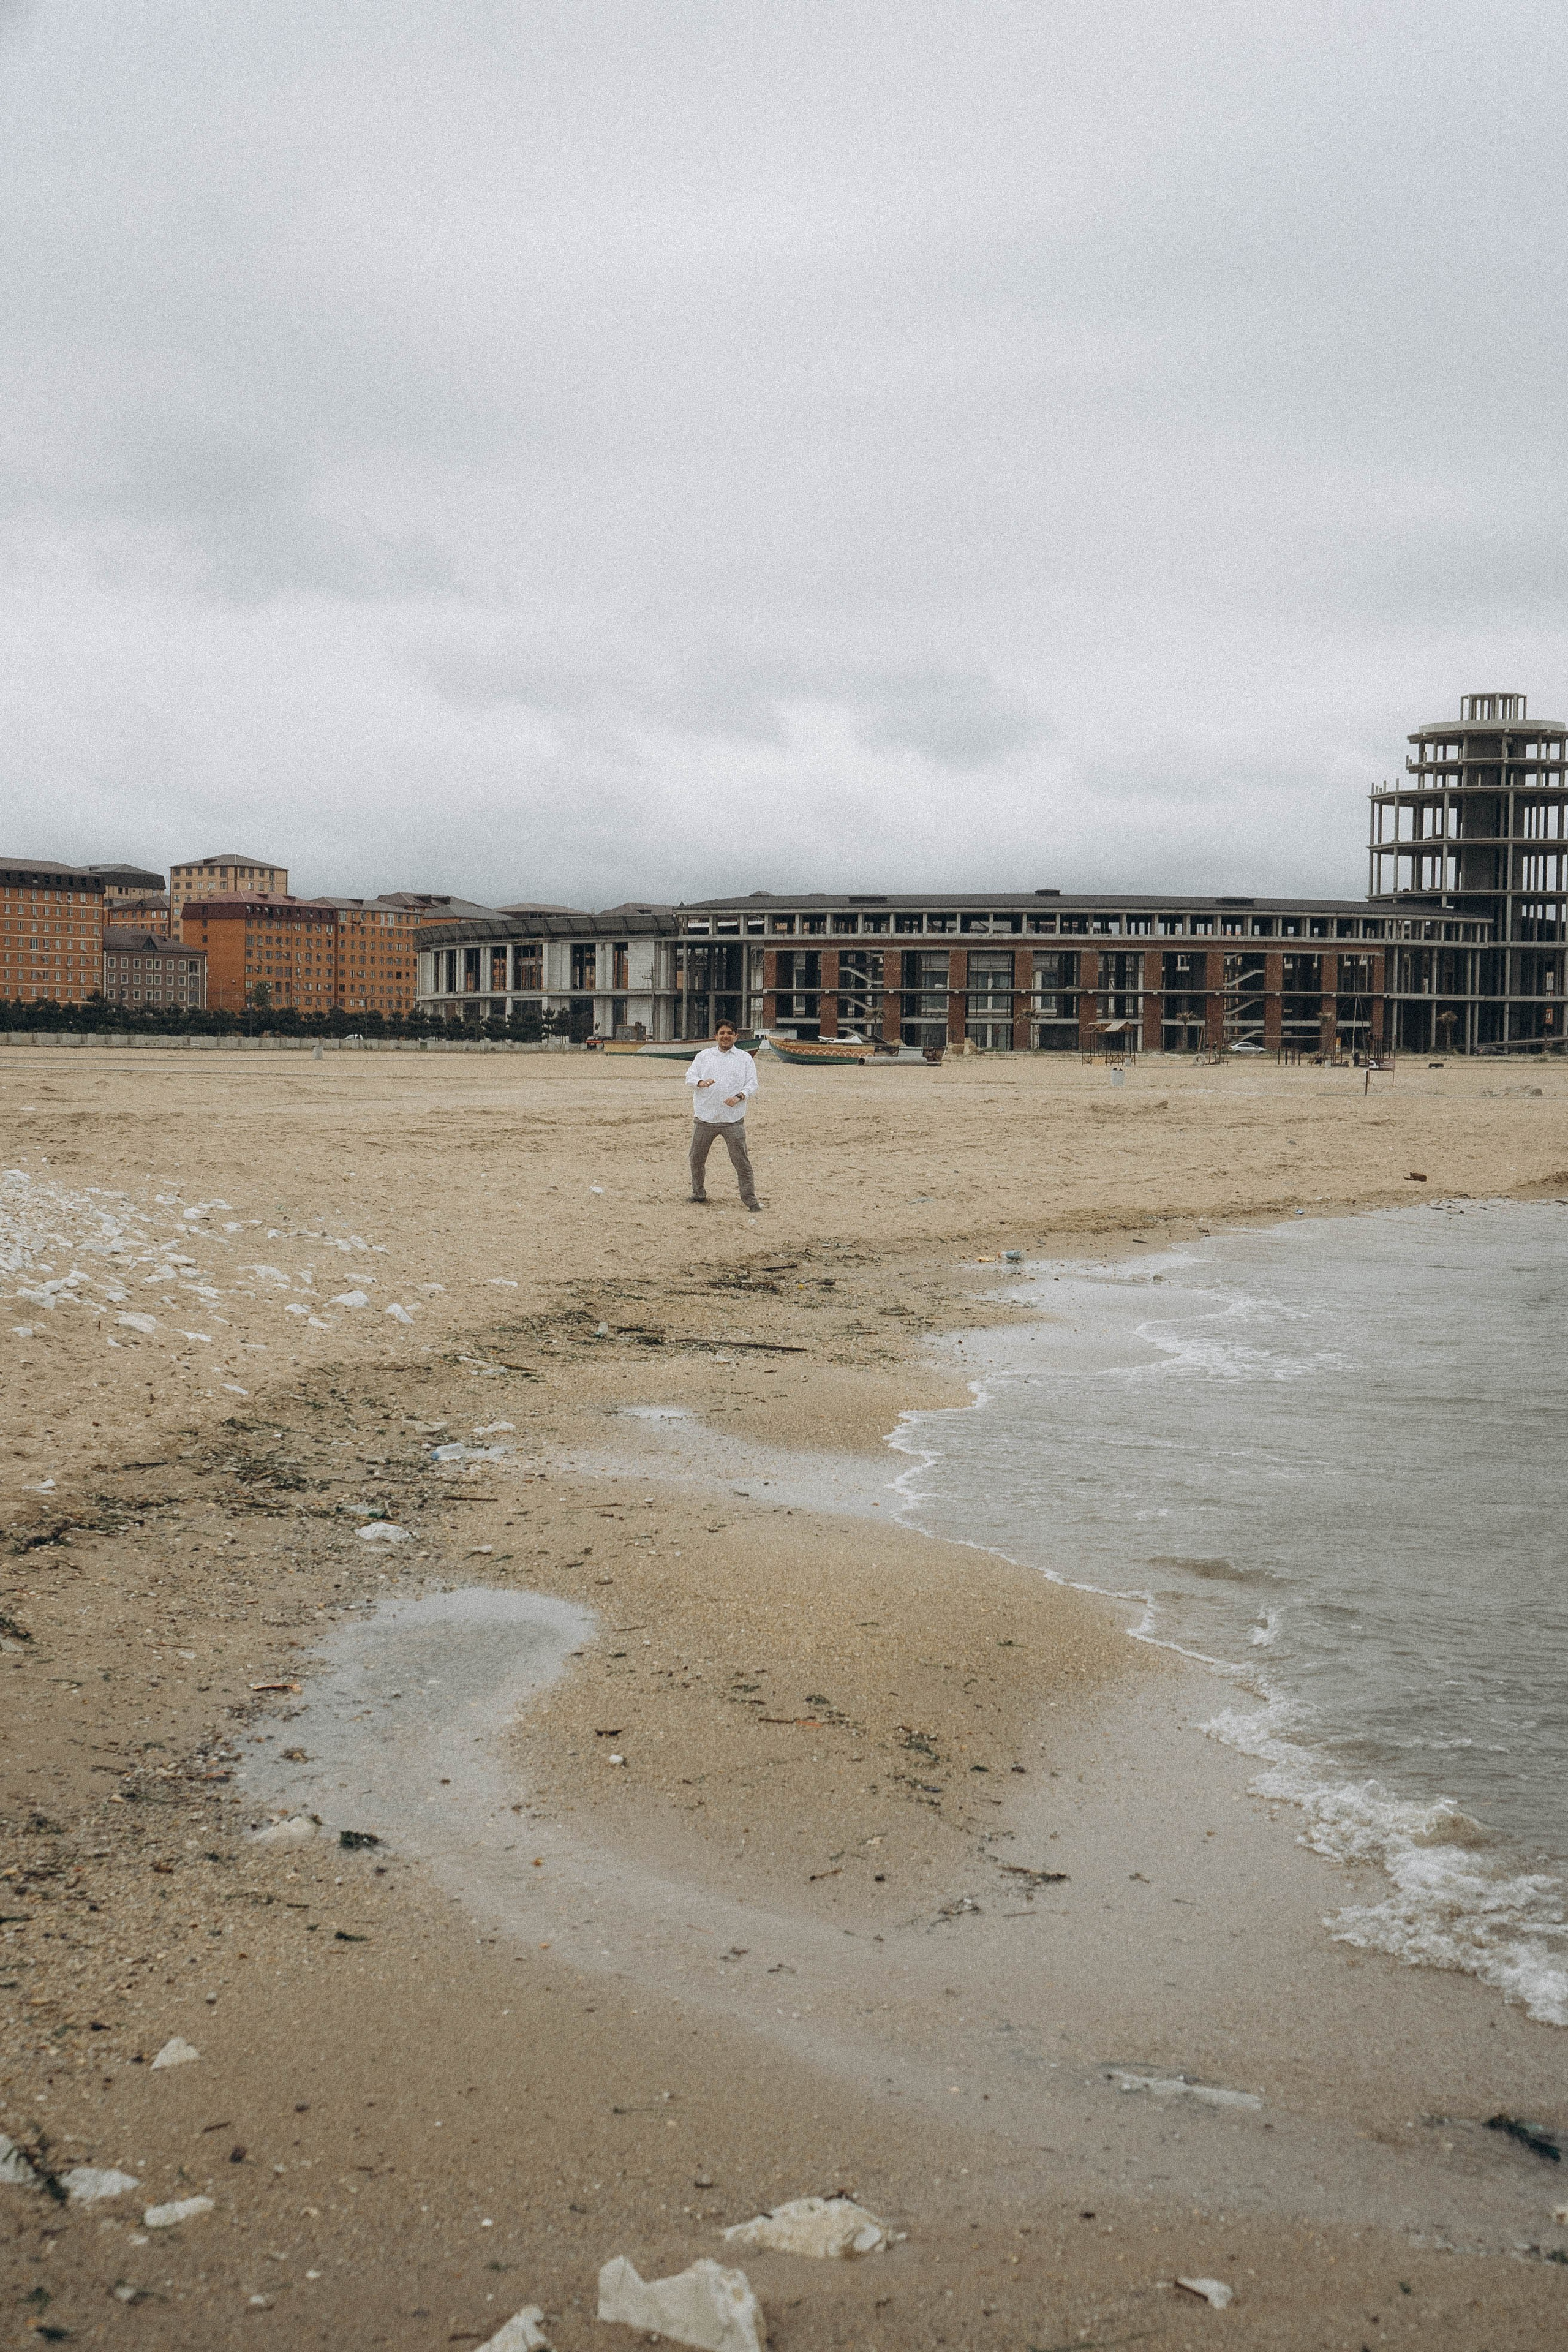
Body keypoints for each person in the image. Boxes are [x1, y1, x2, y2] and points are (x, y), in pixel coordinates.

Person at [685, 1022, 761, 1210]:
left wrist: (739, 1096)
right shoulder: (704, 1056)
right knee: (696, 1159)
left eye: (729, 1033)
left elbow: (752, 1084)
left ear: (736, 1036)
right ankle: (698, 1194)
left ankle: (750, 1200)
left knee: (742, 1162)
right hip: (705, 1118)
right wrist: (700, 1082)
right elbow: (690, 1077)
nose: (725, 1036)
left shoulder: (744, 1059)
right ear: (715, 1036)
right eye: (722, 1033)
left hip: (733, 1120)